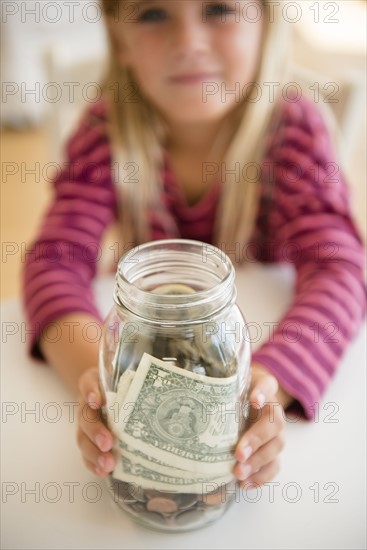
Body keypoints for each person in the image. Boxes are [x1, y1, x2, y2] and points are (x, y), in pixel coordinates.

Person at [22, 0, 366, 487]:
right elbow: (53, 262)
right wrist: (105, 384)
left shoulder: (294, 134)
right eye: (153, 14)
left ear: (268, 23)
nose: (189, 44)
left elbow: (339, 269)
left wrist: (265, 389)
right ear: (119, 39)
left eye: (219, 9)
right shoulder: (105, 133)